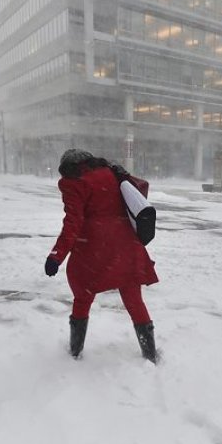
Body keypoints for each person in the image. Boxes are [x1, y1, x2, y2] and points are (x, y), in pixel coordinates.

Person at [45, 149, 160, 363]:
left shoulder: (74, 183)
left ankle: (75, 351)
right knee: (133, 298)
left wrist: (56, 256)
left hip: (94, 249)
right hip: (125, 244)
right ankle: (150, 354)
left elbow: (73, 223)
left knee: (83, 295)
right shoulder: (110, 172)